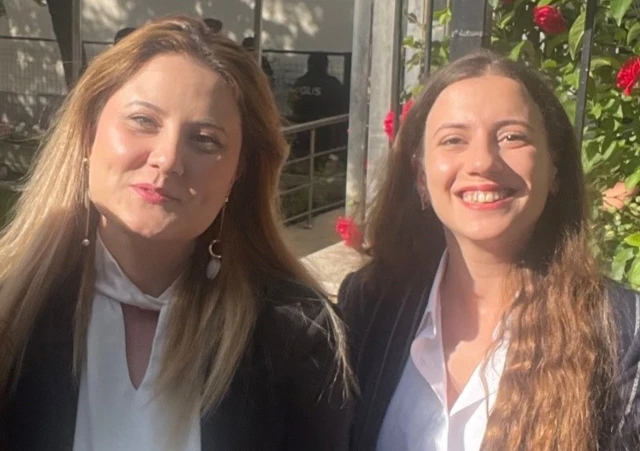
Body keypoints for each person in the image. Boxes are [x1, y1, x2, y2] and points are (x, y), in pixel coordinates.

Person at [0, 16, 353, 451]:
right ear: (89, 135)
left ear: (239, 173)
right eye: (143, 121)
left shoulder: (297, 336)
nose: (167, 160)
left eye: (205, 140)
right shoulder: (12, 314)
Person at [339, 49, 640, 451]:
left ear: (553, 169)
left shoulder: (623, 332)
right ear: (422, 178)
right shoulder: (370, 303)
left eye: (512, 136)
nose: (482, 161)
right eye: (453, 140)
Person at [288, 53, 348, 161]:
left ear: (309, 64)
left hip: (300, 128)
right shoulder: (332, 84)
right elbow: (341, 106)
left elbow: (292, 104)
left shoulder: (300, 82)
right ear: (325, 65)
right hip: (325, 130)